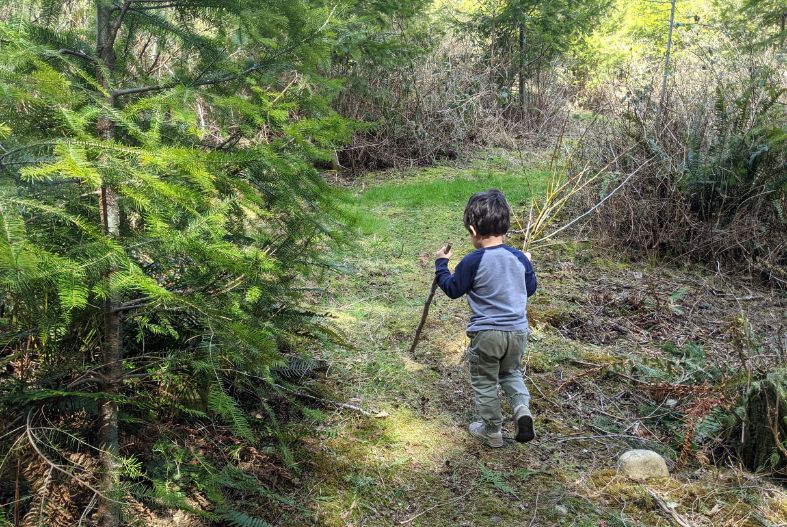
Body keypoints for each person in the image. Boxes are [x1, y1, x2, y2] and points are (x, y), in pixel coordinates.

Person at [434, 189, 537, 447]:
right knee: (511, 373)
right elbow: (530, 289)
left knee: (485, 381)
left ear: (472, 229)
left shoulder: (472, 261)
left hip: (487, 334)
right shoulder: (518, 258)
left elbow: (453, 289)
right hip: (517, 332)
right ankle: (522, 408)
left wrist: (441, 265)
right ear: (505, 225)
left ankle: (492, 431)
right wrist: (529, 265)